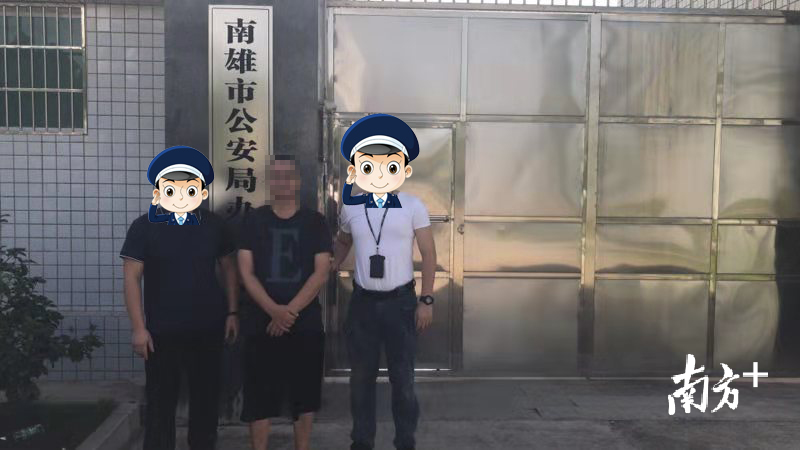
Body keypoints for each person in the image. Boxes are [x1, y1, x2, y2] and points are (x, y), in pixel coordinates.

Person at [120, 145, 239, 450]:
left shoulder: (214, 225)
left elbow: (229, 268)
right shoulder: (143, 227)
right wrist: (138, 328)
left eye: (190, 188)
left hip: (208, 328)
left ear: (201, 192)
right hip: (161, 332)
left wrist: (232, 312)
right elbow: (132, 278)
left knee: (206, 403)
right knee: (160, 405)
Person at [333, 115, 437, 450]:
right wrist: (328, 265)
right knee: (360, 380)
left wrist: (426, 300)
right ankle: (362, 441)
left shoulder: (412, 206)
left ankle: (405, 440)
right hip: (363, 304)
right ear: (357, 170)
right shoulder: (351, 207)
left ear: (402, 169)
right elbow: (343, 242)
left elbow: (429, 253)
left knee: (402, 380)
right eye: (369, 165)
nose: (378, 173)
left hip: (401, 304)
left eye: (388, 165)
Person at [237, 155, 333, 450]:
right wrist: (273, 311)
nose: (282, 181)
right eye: (275, 176)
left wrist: (287, 312)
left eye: (287, 175)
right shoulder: (253, 220)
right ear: (269, 181)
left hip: (304, 322)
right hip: (259, 322)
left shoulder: (315, 222)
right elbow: (245, 271)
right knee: (258, 395)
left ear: (298, 181)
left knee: (305, 395)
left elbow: (321, 272)